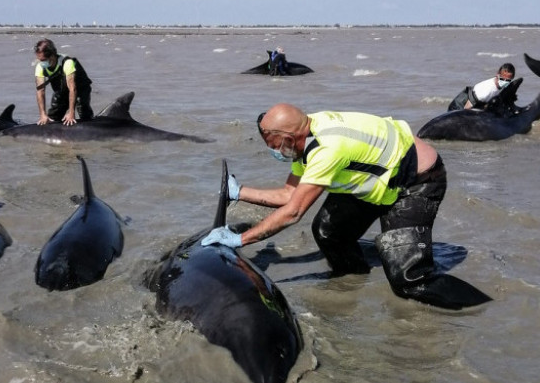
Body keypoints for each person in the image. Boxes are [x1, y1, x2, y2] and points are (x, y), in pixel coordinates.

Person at [201, 103, 493, 310]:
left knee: (408, 281)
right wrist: (240, 193)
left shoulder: (327, 150)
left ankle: (486, 306)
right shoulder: (306, 130)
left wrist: (240, 239)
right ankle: (352, 279)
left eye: (275, 145)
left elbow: (293, 212)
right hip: (374, 175)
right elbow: (290, 194)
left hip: (415, 180)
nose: (274, 151)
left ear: (289, 138)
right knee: (328, 232)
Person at [33, 38, 94, 126]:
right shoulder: (40, 67)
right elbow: (40, 91)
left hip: (80, 89)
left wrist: (71, 112)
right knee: (53, 118)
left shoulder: (67, 63)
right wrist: (43, 114)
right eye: (39, 59)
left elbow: (73, 89)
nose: (41, 62)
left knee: (84, 114)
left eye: (43, 60)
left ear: (52, 55)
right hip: (61, 90)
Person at [448, 63, 515, 111]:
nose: (505, 81)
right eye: (503, 79)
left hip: (476, 102)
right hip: (458, 106)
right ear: (498, 75)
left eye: (508, 80)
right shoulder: (485, 92)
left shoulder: (502, 85)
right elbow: (466, 109)